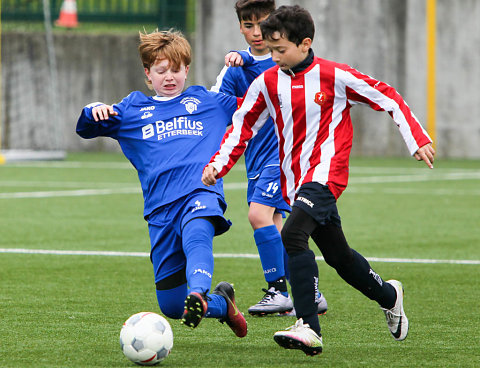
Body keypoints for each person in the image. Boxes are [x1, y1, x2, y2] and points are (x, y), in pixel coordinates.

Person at [202, 5, 435, 355]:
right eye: (271, 49)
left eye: (280, 50)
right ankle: (389, 295)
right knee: (339, 257)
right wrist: (218, 164)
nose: (275, 57)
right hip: (295, 182)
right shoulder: (267, 82)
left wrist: (416, 138)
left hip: (327, 176)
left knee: (293, 234)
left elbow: (386, 96)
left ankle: (309, 325)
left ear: (305, 43)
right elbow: (241, 126)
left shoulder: (334, 75)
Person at [76, 30, 253, 338]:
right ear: (147, 73)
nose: (169, 77)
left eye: (176, 69)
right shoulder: (132, 110)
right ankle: (222, 306)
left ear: (187, 69)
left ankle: (199, 291)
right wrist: (93, 108)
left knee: (198, 231)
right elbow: (86, 128)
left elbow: (257, 108)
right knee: (172, 306)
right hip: (160, 211)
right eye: (161, 71)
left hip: (201, 191)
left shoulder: (209, 102)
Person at [211, 0, 327, 317]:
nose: (255, 32)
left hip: (283, 156)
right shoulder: (235, 68)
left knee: (258, 215)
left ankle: (279, 290)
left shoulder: (284, 62)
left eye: (261, 24)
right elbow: (215, 103)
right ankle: (309, 291)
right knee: (279, 226)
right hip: (256, 160)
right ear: (240, 28)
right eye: (247, 26)